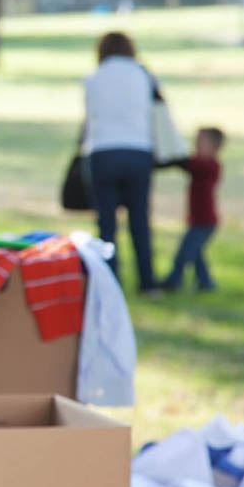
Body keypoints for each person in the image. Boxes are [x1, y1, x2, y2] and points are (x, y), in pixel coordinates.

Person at [82, 31, 159, 292]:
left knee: (106, 222)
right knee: (140, 219)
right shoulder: (143, 75)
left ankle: (110, 280)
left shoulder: (94, 78)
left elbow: (90, 115)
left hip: (103, 152)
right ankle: (147, 282)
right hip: (138, 150)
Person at [161, 127, 225, 292]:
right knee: (196, 254)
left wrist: (169, 156)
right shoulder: (202, 164)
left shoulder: (210, 166)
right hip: (199, 220)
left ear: (214, 146)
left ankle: (174, 281)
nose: (195, 145)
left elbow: (186, 164)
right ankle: (206, 283)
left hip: (204, 221)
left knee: (185, 253)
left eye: (200, 142)